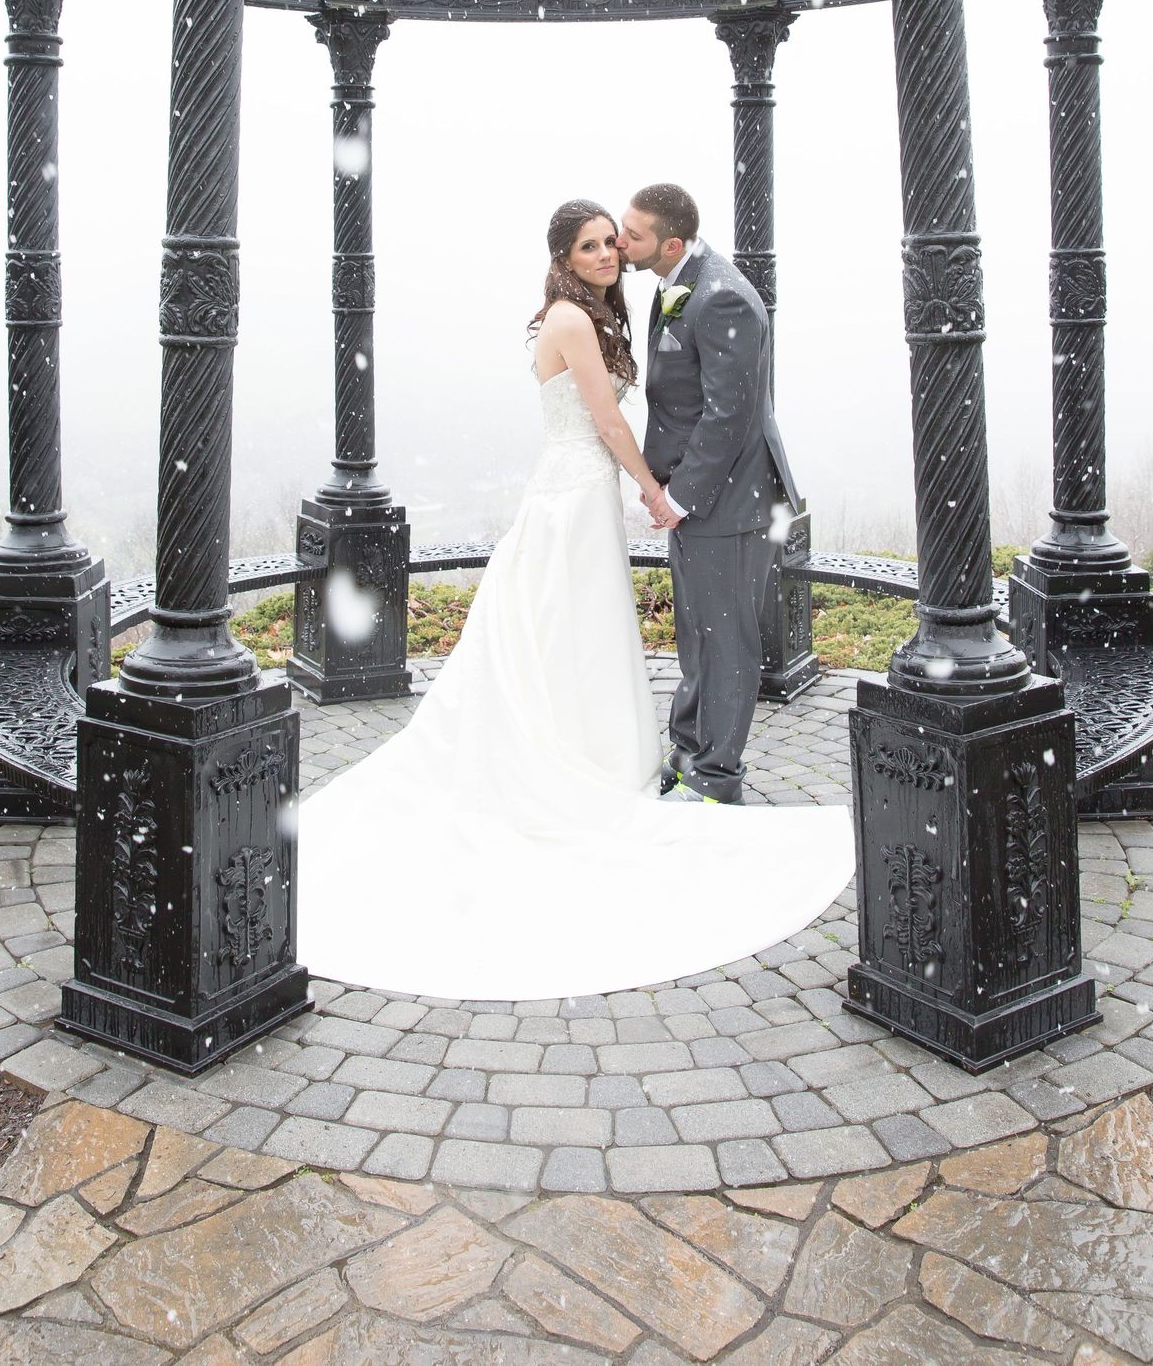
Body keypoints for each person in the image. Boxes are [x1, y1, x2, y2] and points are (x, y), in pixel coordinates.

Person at [296, 200, 852, 1002]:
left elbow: (711, 406)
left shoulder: (636, 305)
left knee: (601, 634)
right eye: (590, 244)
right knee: (569, 629)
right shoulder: (571, 318)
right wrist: (656, 490)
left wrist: (664, 490)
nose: (607, 252)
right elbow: (609, 424)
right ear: (562, 256)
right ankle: (601, 761)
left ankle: (669, 759)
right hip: (574, 495)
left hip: (604, 496)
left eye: (613, 241)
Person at [618, 184, 792, 806]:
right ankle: (688, 750)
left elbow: (729, 415)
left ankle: (716, 779)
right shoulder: (676, 282)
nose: (620, 241)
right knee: (697, 634)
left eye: (633, 234)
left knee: (726, 643)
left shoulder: (721, 298)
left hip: (731, 502)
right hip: (702, 499)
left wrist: (680, 496)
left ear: (670, 244)